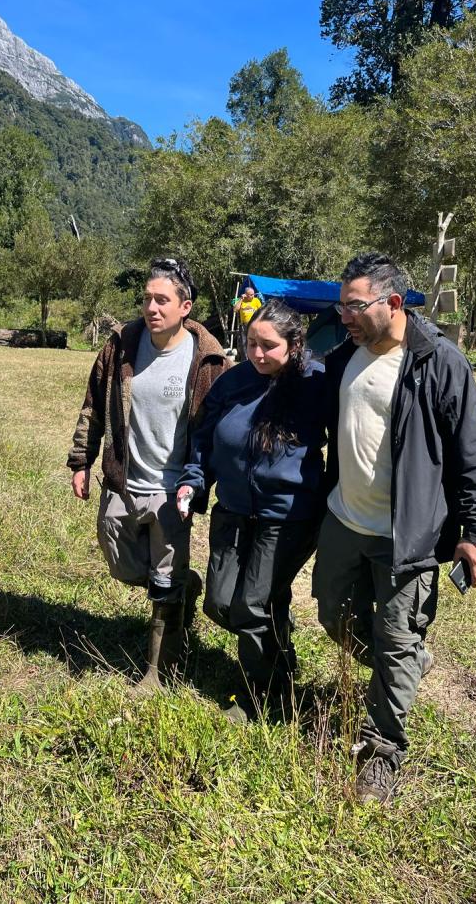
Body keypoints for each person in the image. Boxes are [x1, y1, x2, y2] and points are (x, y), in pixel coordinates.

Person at [313, 252, 476, 804]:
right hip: (346, 519)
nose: (343, 316)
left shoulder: (438, 362)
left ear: (392, 303)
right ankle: (409, 664)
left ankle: (381, 753)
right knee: (331, 614)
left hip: (407, 534)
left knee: (395, 643)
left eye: (353, 306)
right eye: (339, 305)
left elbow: (473, 451)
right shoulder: (347, 352)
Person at [68, 257, 229, 692]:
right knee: (121, 565)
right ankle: (182, 587)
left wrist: (200, 483)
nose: (151, 307)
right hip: (123, 479)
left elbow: (217, 430)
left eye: (162, 300)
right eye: (147, 298)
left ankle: (158, 672)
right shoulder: (122, 345)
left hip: (173, 490)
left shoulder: (208, 360)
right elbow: (93, 405)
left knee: (164, 579)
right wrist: (81, 461)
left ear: (185, 307)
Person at [177, 299, 327, 722]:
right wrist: (193, 478)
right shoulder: (233, 381)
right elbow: (204, 438)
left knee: (251, 606)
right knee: (221, 603)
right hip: (235, 510)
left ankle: (262, 698)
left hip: (288, 516)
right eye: (250, 343)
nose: (257, 354)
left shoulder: (316, 383)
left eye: (268, 345)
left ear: (295, 344)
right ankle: (278, 646)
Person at [232, 286, 262, 356]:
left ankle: (255, 356)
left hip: (254, 324)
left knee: (255, 341)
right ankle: (245, 359)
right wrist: (241, 299)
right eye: (251, 295)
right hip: (244, 325)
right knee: (244, 342)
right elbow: (235, 309)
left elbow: (261, 311)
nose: (252, 296)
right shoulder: (241, 300)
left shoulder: (256, 300)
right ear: (246, 294)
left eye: (253, 294)